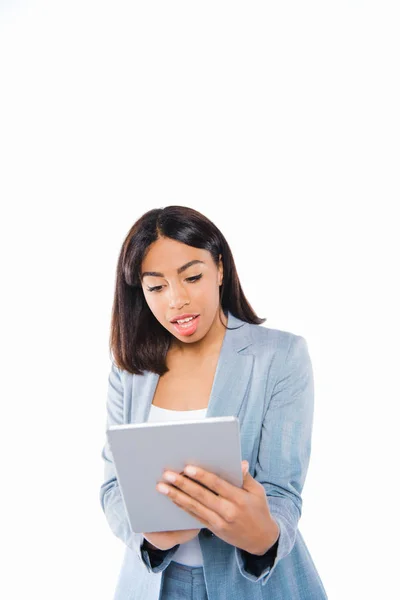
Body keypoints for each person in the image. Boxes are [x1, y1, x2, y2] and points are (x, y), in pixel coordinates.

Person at [99, 205, 328, 599]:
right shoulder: (130, 370)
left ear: (220, 269)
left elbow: (283, 493)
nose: (177, 300)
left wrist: (261, 536)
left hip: (255, 585)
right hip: (155, 585)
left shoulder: (280, 356)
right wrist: (151, 536)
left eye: (192, 277)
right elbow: (112, 487)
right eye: (157, 287)